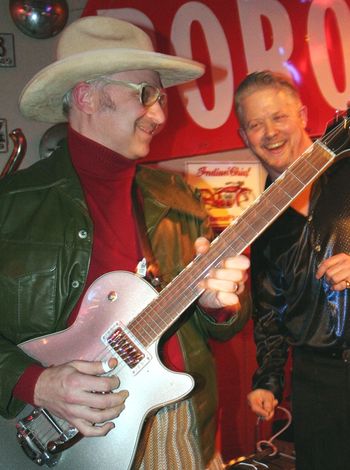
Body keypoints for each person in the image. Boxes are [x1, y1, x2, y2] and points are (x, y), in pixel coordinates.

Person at [0, 16, 251, 470]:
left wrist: (218, 305)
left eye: (161, 98)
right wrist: (35, 383)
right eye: (146, 94)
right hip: (61, 436)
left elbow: (220, 328)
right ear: (87, 96)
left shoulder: (181, 198)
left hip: (178, 425)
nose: (159, 113)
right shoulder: (10, 205)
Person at [234, 69, 350, 470]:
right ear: (243, 136)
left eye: (278, 117)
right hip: (317, 384)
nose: (269, 133)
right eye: (255, 124)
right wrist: (267, 381)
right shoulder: (261, 225)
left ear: (301, 114)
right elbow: (269, 314)